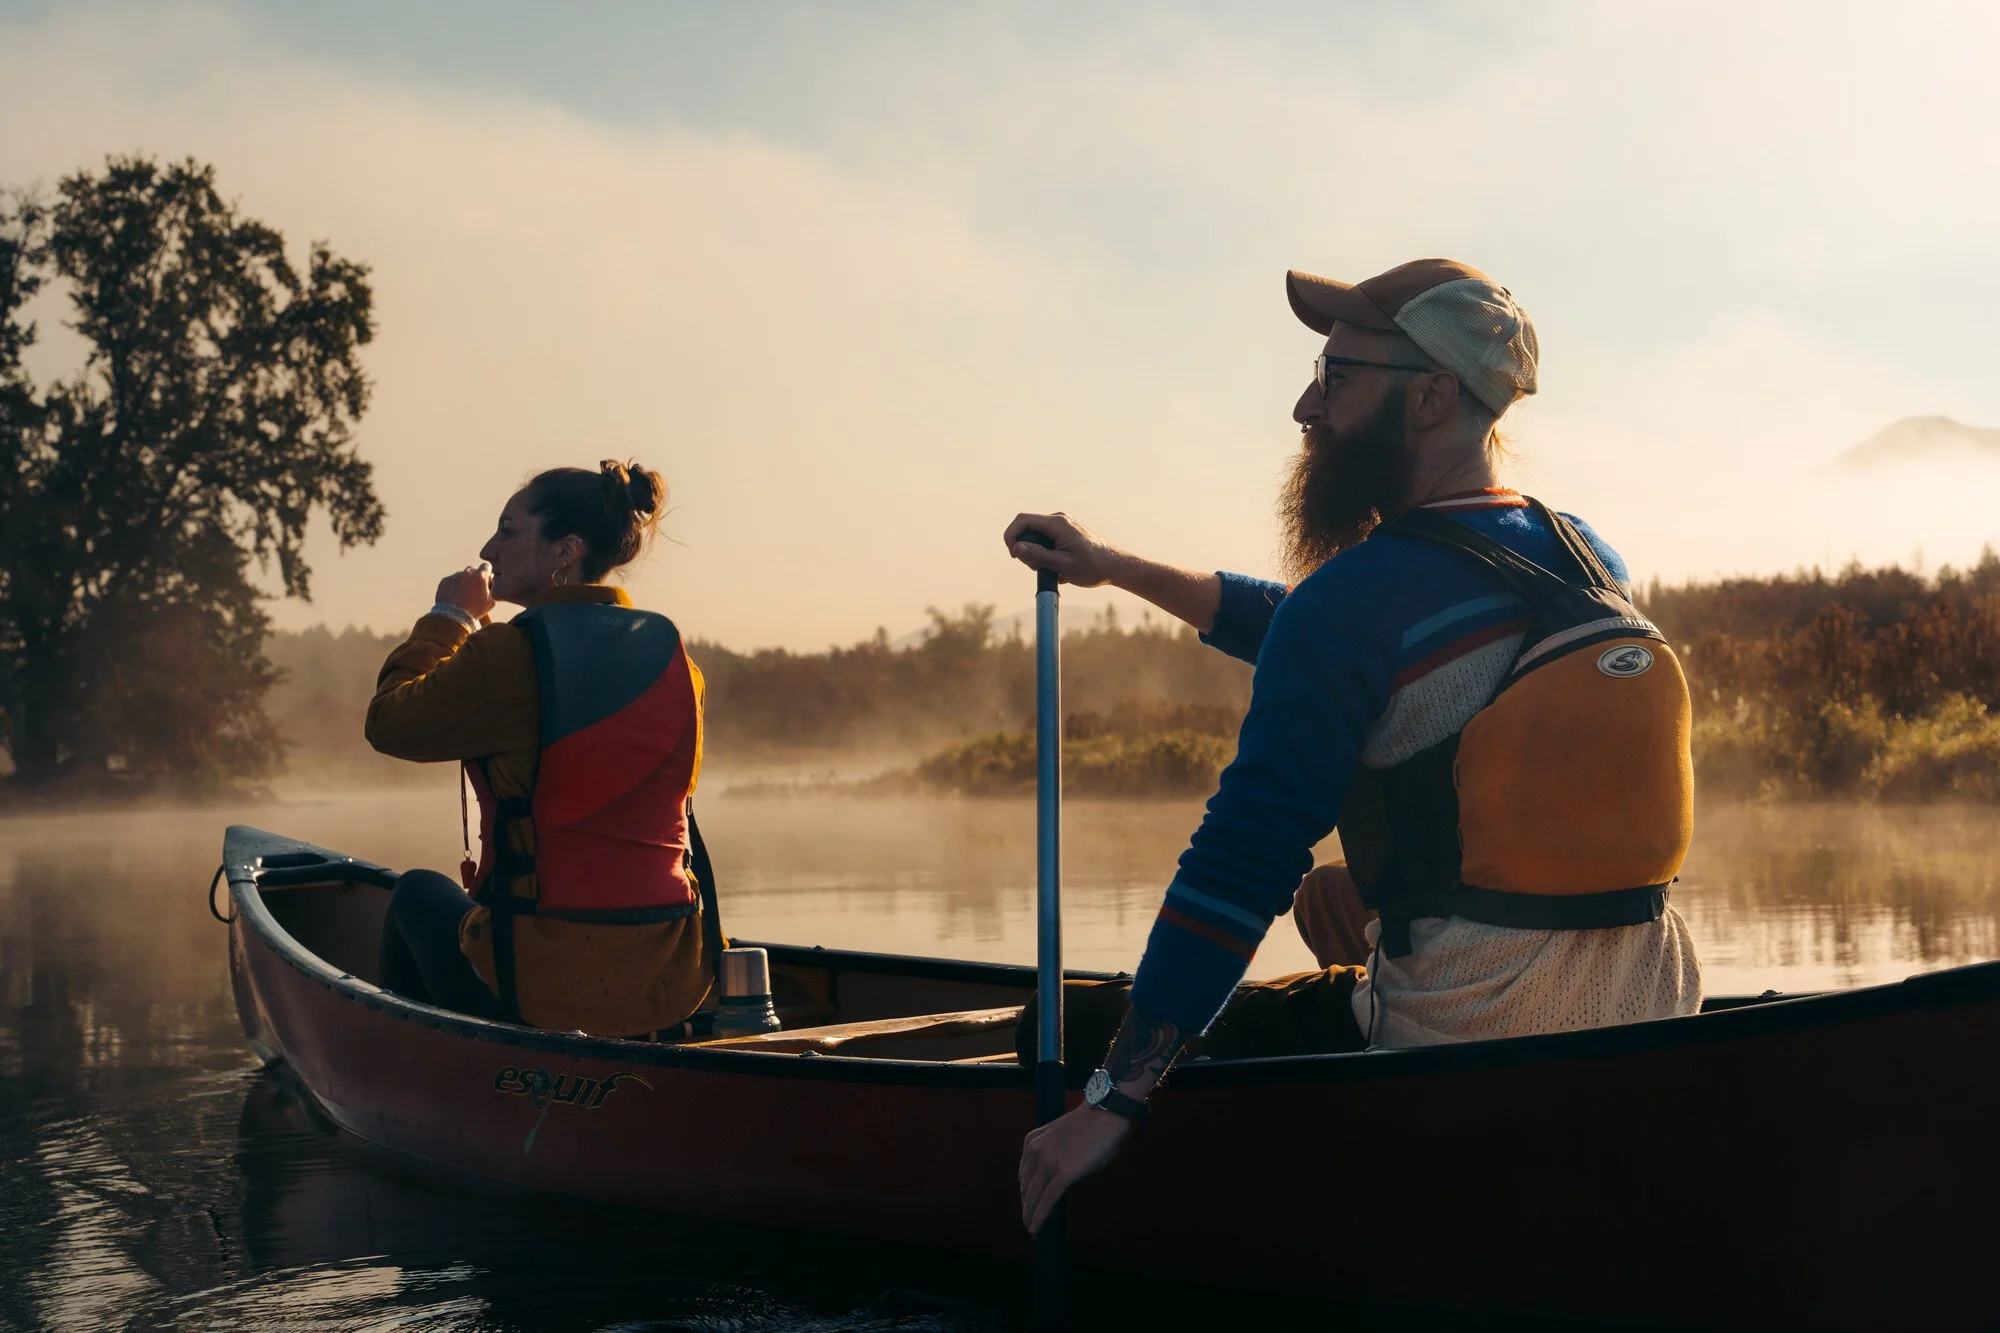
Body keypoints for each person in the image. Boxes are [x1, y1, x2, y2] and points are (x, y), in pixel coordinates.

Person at [1011, 259, 1703, 1233]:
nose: (1305, 405)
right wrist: (1111, 567)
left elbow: (1238, 861)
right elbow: (1330, 633)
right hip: (1648, 1005)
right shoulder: (1580, 550)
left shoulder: (1359, 603)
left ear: (1425, 397)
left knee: (1071, 1020)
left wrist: (1113, 1098)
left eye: (1336, 378)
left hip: (1467, 1034)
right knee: (1331, 901)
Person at [364, 459, 712, 1037]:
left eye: (507, 530)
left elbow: (388, 723)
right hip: (667, 978)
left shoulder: (504, 655)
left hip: (542, 982)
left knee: (416, 893)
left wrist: (449, 617)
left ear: (564, 551)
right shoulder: (681, 665)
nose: (488, 548)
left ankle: (416, 1071)